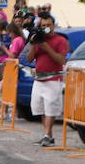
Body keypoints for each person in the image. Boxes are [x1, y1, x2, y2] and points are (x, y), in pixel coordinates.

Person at [26, 11, 68, 147]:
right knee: (40, 109)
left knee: (51, 108)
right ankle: (48, 135)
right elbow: (29, 58)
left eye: (48, 25)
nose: (46, 27)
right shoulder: (38, 39)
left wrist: (47, 48)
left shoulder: (60, 40)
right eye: (43, 25)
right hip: (39, 79)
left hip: (53, 79)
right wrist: (34, 44)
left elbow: (61, 60)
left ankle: (47, 135)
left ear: (54, 25)